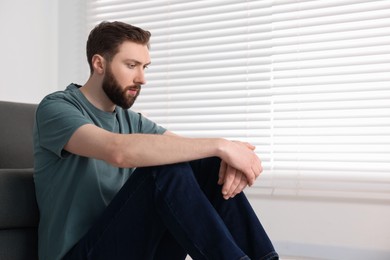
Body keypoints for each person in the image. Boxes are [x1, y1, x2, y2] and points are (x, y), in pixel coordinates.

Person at [33, 21, 279, 260]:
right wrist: (222, 146)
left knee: (207, 165)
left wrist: (227, 152)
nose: (142, 79)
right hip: (82, 254)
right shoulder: (56, 108)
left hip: (134, 247)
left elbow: (192, 154)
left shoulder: (131, 120)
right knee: (163, 167)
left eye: (145, 67)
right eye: (131, 65)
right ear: (99, 64)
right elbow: (116, 151)